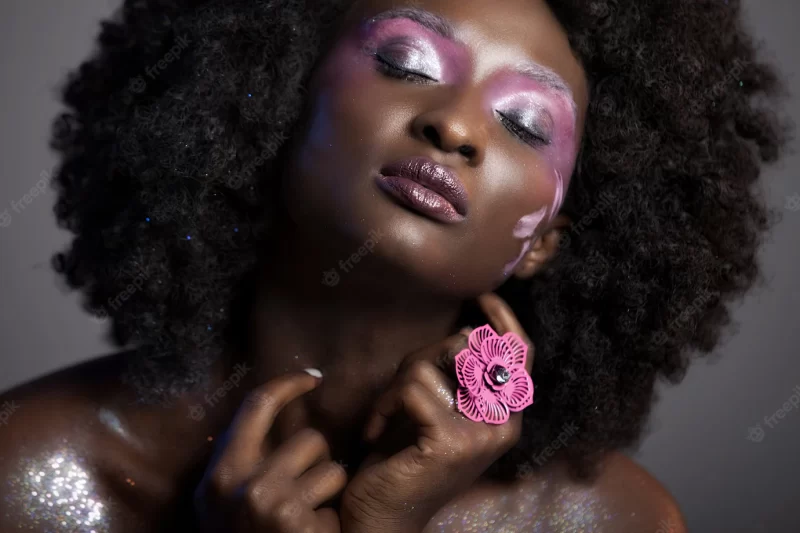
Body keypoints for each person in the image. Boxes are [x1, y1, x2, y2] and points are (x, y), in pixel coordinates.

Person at [0, 0, 791, 531]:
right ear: (271, 102)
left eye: (524, 123)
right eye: (407, 64)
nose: (454, 127)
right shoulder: (28, 469)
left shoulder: (611, 521)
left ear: (547, 236)